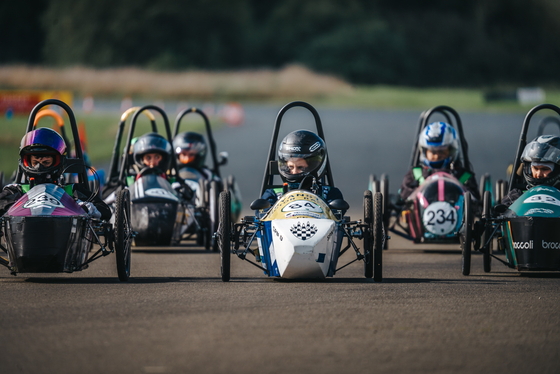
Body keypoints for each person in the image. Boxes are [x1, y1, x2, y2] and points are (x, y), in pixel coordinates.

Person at [0, 127, 111, 220]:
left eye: (46, 162)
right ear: (27, 162)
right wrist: (12, 208)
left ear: (58, 162)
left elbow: (105, 210)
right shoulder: (16, 191)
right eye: (35, 162)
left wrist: (85, 208)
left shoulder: (71, 190)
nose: (40, 167)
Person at [399, 121, 480, 201]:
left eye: (442, 151)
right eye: (433, 152)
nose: (437, 155)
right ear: (424, 151)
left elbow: (475, 199)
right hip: (421, 211)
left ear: (452, 150)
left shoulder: (463, 176)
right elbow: (404, 197)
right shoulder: (416, 174)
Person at [261, 129, 344, 206]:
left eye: (300, 167)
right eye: (290, 167)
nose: (294, 172)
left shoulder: (330, 194)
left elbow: (336, 216)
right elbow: (262, 214)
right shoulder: (273, 194)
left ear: (314, 166)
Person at [501, 135, 560, 206]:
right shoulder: (516, 196)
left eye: (545, 169)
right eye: (535, 168)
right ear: (528, 168)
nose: (538, 174)